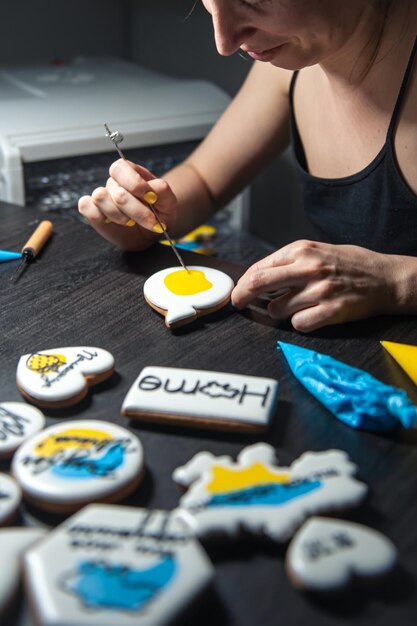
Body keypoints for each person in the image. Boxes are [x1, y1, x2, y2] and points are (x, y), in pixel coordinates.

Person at [79, 0, 417, 332]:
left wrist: (397, 283)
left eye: (252, 0)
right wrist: (144, 215)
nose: (225, 42)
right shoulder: (288, 69)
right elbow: (204, 181)